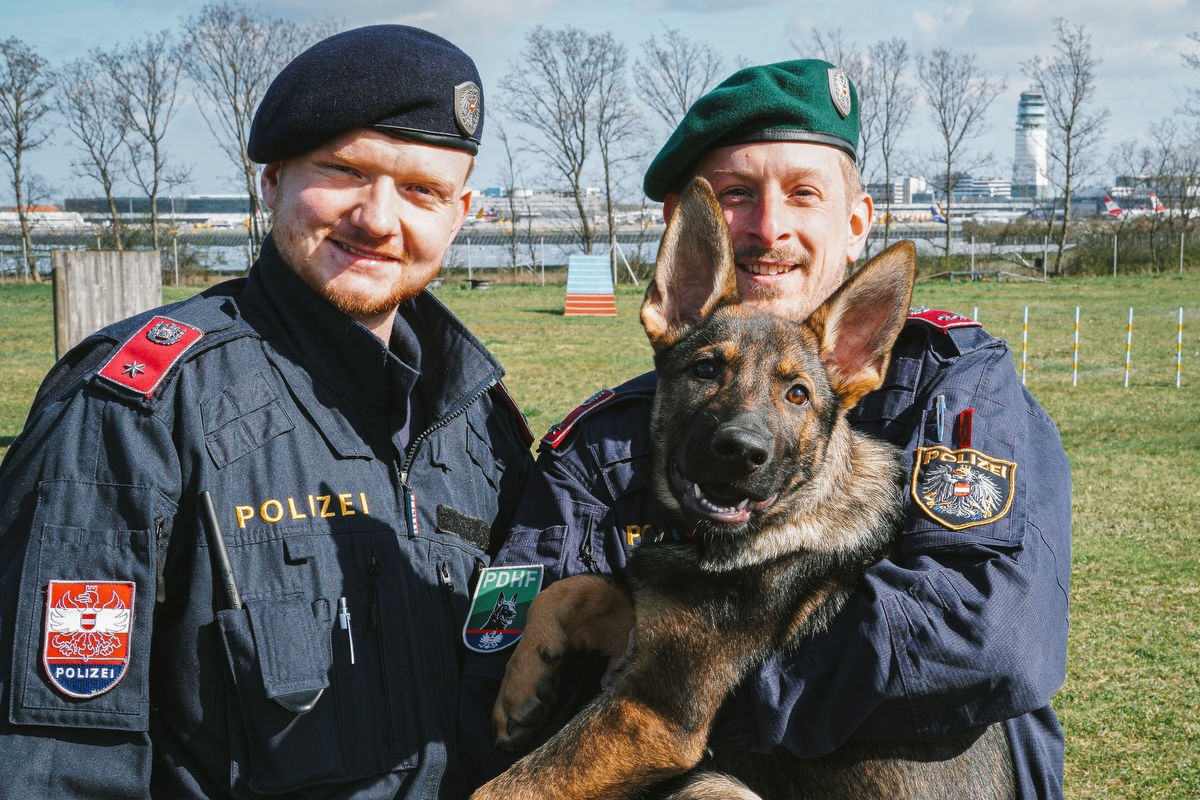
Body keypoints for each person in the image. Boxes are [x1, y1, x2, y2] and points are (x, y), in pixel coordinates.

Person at [460, 59, 1071, 799]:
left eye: (803, 194)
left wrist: (684, 694)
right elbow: (503, 676)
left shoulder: (953, 390)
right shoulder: (599, 447)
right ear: (682, 260)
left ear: (855, 225)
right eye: (738, 196)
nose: (769, 227)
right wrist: (593, 613)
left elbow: (990, 639)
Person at [0, 25, 532, 800]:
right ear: (272, 180)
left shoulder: (483, 425)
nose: (379, 219)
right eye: (344, 170)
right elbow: (55, 759)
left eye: (422, 190)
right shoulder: (137, 411)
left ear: (462, 212)